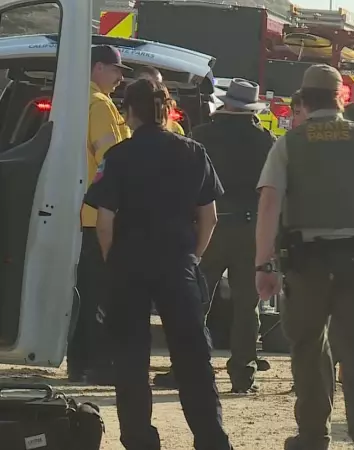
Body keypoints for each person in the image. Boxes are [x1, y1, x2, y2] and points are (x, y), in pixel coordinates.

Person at [254, 64, 354, 450]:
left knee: (308, 349)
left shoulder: (289, 143)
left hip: (306, 264)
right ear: (342, 99)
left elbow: (270, 203)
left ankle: (312, 437)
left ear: (304, 101)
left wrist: (264, 263)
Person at [83, 78, 232, 450]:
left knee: (131, 359)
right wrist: (192, 256)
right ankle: (211, 439)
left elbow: (104, 222)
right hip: (176, 263)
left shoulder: (118, 157)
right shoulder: (192, 152)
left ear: (129, 111)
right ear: (166, 111)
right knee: (193, 358)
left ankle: (139, 440)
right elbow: (209, 217)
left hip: (129, 265)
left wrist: (113, 259)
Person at [153, 78, 276, 393]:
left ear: (226, 103)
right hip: (250, 229)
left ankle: (187, 368)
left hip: (207, 227)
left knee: (194, 301)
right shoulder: (265, 141)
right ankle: (242, 374)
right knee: (247, 306)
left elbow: (182, 184)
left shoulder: (201, 136)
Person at [67, 45, 132, 385]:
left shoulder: (78, 100)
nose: (120, 78)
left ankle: (80, 364)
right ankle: (95, 365)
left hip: (85, 213)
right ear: (97, 68)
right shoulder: (100, 106)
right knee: (101, 294)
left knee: (86, 292)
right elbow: (114, 158)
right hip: (101, 216)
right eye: (115, 70)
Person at [133, 65, 185, 136]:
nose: (153, 90)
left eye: (158, 86)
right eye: (145, 86)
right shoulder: (121, 122)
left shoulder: (175, 128)